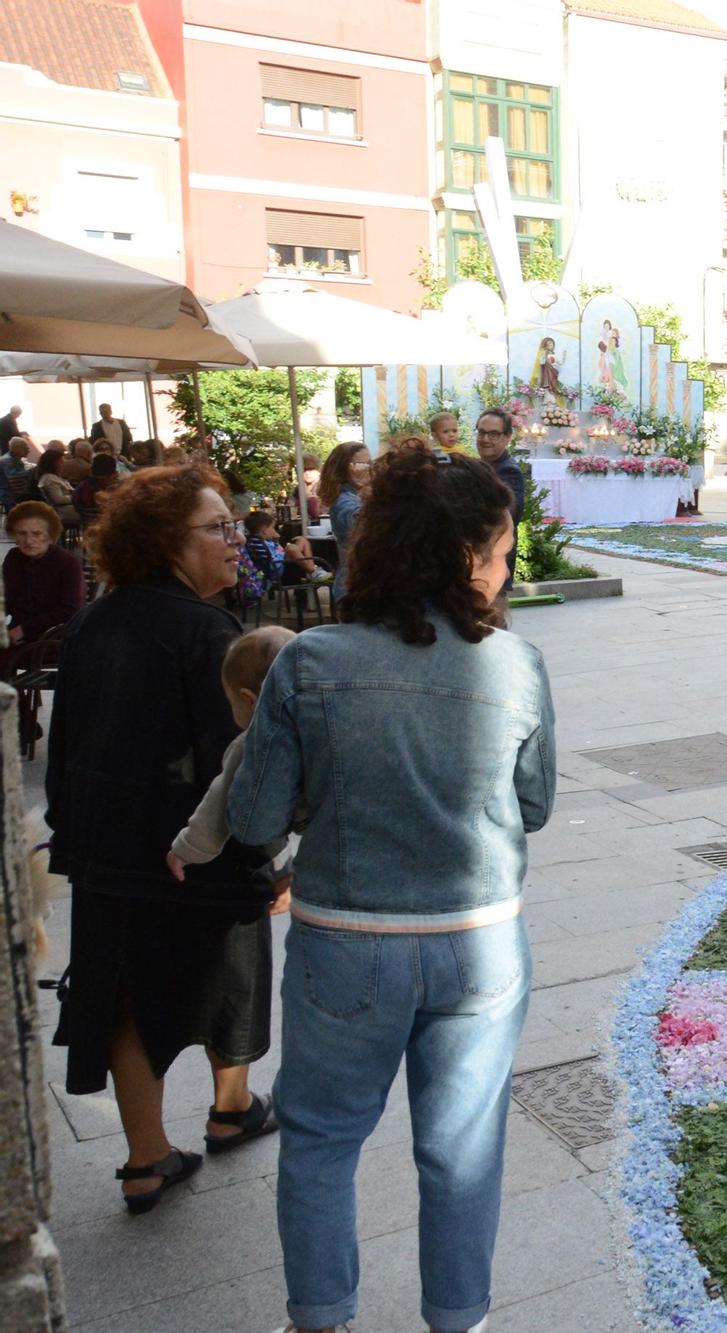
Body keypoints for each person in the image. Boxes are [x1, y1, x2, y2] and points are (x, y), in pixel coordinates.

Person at [230, 449, 555, 1333]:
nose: (504, 569)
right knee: (462, 1153)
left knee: (323, 1141)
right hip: (480, 943)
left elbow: (256, 818)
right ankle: (459, 1320)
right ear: (462, 556)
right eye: (500, 552)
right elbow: (533, 804)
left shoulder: (309, 661)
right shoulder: (517, 665)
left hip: (345, 940)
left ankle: (322, 1319)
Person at [46, 466, 283, 1215]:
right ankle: (231, 1105)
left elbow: (65, 742)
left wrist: (72, 833)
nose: (233, 540)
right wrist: (264, 857)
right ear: (165, 542)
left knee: (122, 995)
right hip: (191, 850)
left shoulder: (95, 619)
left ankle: (146, 1159)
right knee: (234, 967)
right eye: (217, 528)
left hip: (108, 846)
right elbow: (237, 759)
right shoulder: (206, 632)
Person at [166, 626, 296, 881]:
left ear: (249, 700)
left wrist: (187, 849)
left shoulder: (251, 744)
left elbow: (219, 800)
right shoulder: (333, 726)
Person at [1, 501, 87, 713]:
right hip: (20, 637)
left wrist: (23, 629)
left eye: (37, 534)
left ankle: (21, 724)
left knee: (2, 662)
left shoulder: (67, 564)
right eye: (21, 533)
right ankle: (21, 719)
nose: (28, 540)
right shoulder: (14, 559)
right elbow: (8, 600)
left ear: (50, 535)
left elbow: (70, 611)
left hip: (55, 640)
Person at [473, 410, 525, 593]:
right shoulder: (480, 466)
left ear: (508, 437)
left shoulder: (508, 472)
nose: (485, 439)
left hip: (493, 563)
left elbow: (506, 518)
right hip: (477, 563)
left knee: (493, 619)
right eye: (481, 432)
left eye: (493, 434)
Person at [318, 442, 372, 600]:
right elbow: (366, 522)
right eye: (360, 464)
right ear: (343, 468)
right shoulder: (344, 501)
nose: (367, 469)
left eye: (369, 463)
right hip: (355, 588)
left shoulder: (357, 495)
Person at [38, 449, 81, 525]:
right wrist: (75, 496)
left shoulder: (55, 477)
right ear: (52, 464)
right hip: (64, 511)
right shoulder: (50, 479)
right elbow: (58, 499)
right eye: (61, 461)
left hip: (68, 508)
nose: (64, 463)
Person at [0, 437, 31, 508]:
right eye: (25, 448)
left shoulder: (16, 459)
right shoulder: (7, 460)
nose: (28, 450)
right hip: (9, 495)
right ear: (16, 448)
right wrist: (32, 471)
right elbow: (15, 479)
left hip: (15, 493)